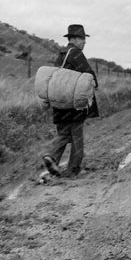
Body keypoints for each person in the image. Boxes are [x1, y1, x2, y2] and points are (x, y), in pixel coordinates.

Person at [42, 24, 99, 178]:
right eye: (81, 38)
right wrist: (95, 83)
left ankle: (51, 157)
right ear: (72, 39)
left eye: (84, 39)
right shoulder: (76, 53)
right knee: (77, 136)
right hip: (73, 103)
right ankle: (73, 169)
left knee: (64, 133)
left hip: (58, 102)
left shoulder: (61, 54)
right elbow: (88, 74)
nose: (84, 42)